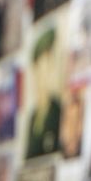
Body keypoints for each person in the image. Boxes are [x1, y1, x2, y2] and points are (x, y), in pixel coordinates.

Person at [24, 28, 62, 160]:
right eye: (42, 66)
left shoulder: (57, 111)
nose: (46, 73)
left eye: (49, 65)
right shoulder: (33, 116)